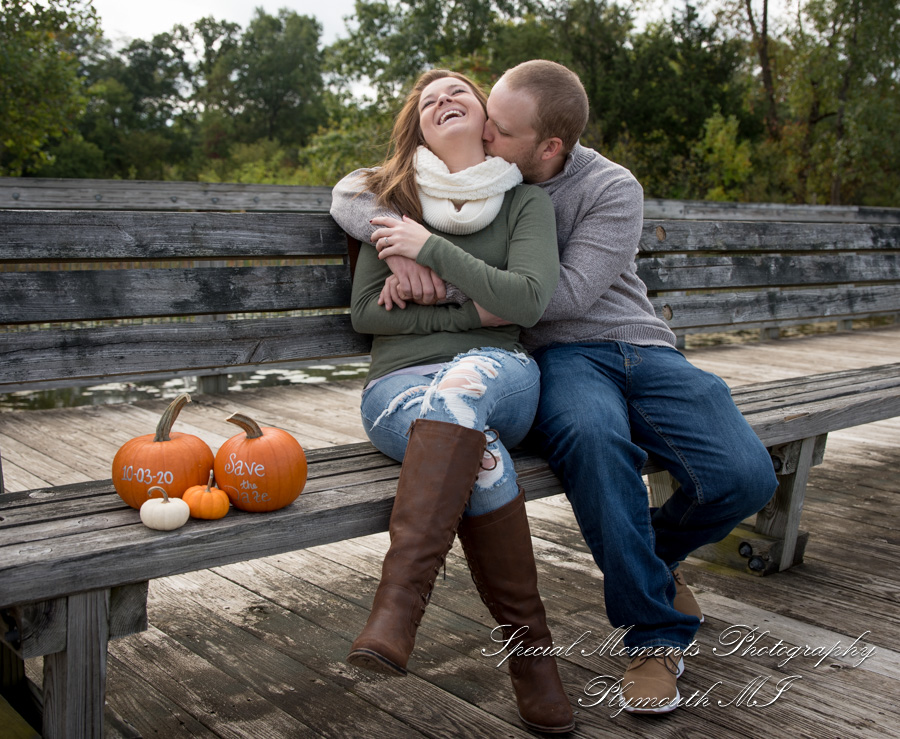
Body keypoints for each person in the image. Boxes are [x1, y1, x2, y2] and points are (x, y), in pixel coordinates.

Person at [332, 60, 778, 716]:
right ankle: (652, 637)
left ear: (548, 148)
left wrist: (429, 268)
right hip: (561, 361)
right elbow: (357, 190)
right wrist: (393, 240)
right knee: (595, 443)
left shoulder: (601, 187)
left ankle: (646, 569)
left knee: (746, 477)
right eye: (487, 119)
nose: (486, 134)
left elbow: (552, 298)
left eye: (498, 129)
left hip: (641, 346)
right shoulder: (469, 179)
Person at [335, 68, 575, 734]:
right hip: (398, 389)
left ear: (485, 114)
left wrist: (429, 255)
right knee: (483, 456)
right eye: (428, 101)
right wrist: (470, 306)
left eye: (457, 92)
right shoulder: (391, 204)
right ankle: (532, 658)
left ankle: (396, 608)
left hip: (502, 375)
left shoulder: (526, 203)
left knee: (464, 385)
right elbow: (366, 314)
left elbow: (528, 300)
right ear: (417, 127)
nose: (442, 100)